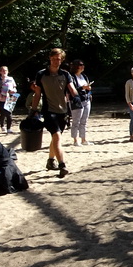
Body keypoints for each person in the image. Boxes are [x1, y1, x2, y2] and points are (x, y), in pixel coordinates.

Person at [29, 47, 80, 178]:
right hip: (48, 111)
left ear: (61, 60)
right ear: (50, 59)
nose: (55, 61)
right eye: (53, 59)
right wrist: (33, 110)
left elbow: (72, 89)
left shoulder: (65, 74)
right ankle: (62, 165)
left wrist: (78, 96)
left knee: (55, 138)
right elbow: (37, 94)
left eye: (58, 59)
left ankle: (50, 161)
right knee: (57, 136)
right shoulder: (41, 74)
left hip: (63, 111)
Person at [68, 59, 93, 146]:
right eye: (80, 65)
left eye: (83, 64)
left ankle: (83, 139)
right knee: (76, 121)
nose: (83, 66)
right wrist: (83, 87)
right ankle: (75, 140)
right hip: (77, 101)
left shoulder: (84, 76)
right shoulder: (71, 77)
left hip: (86, 100)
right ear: (76, 66)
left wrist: (88, 90)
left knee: (84, 121)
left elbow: (87, 87)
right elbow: (72, 90)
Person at [0, 65, 18, 134]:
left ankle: (9, 128)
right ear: (0, 72)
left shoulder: (11, 79)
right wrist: (3, 80)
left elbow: (14, 87)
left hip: (10, 97)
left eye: (6, 70)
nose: (4, 72)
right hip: (0, 98)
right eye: (3, 70)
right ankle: (2, 125)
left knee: (9, 113)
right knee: (3, 112)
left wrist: (14, 91)